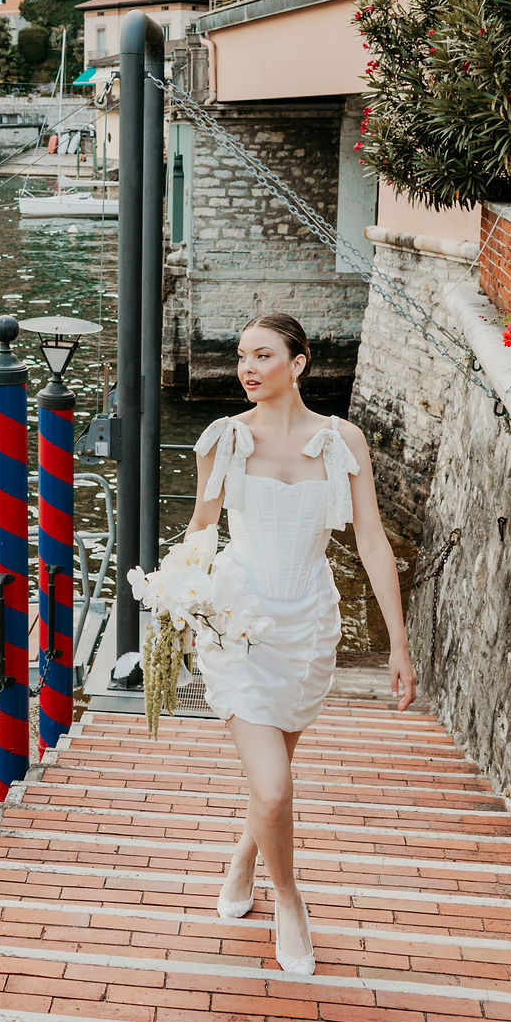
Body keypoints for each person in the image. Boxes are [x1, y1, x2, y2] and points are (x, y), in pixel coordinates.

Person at [186, 312, 416, 975]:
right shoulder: (223, 439)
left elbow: (370, 540)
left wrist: (398, 644)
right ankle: (289, 899)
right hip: (239, 624)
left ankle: (242, 858)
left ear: (300, 362)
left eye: (262, 355)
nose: (247, 368)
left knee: (272, 782)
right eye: (240, 357)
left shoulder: (342, 440)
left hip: (311, 625)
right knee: (278, 789)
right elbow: (202, 531)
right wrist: (178, 601)